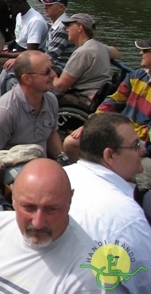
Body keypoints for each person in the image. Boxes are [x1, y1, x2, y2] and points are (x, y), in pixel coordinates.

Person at [0, 159, 98, 294]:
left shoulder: (88, 271)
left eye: (51, 209)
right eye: (29, 207)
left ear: (69, 201)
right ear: (13, 198)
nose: (38, 223)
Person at [64, 113, 151, 292]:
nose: (143, 150)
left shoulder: (63, 176)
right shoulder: (126, 218)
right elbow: (145, 283)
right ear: (109, 155)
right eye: (135, 145)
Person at [0, 51, 66, 161]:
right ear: (27, 78)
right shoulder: (4, 112)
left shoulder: (51, 100)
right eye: (46, 72)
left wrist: (62, 157)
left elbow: (51, 134)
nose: (54, 75)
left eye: (52, 68)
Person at [95, 38, 151, 141]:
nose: (140, 53)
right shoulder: (136, 75)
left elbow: (148, 134)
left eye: (145, 50)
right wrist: (95, 119)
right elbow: (115, 99)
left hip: (138, 141)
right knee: (72, 143)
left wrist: (125, 133)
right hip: (123, 131)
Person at [54, 13, 111, 104]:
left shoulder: (81, 53)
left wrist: (50, 72)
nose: (67, 29)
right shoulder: (100, 47)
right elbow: (115, 52)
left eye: (69, 26)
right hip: (99, 96)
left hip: (85, 99)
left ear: (80, 28)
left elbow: (60, 87)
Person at [0, 0, 48, 67]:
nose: (9, 9)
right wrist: (0, 46)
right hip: (16, 49)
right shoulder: (19, 15)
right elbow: (18, 40)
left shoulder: (35, 21)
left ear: (20, 3)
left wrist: (4, 54)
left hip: (27, 55)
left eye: (10, 6)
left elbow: (30, 52)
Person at [38, 0, 74, 75]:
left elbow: (50, 56)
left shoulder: (63, 28)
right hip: (53, 64)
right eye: (45, 4)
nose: (45, 7)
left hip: (60, 68)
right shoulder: (56, 25)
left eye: (49, 5)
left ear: (61, 7)